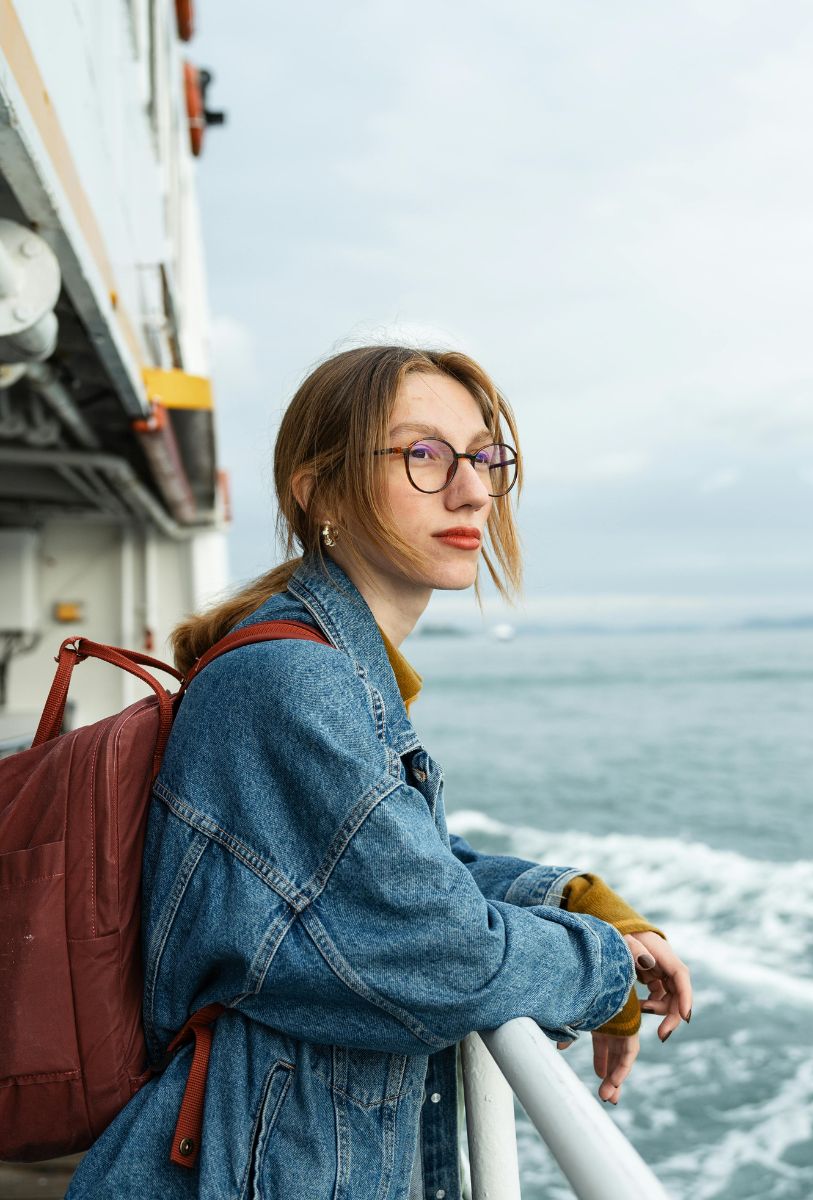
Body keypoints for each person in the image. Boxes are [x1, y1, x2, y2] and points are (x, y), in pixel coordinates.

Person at [66, 345, 693, 1199]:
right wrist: (610, 974)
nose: (471, 490)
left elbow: (405, 862)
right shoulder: (293, 681)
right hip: (252, 1171)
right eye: (423, 455)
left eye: (485, 457)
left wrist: (579, 899)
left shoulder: (330, 666)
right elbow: (444, 955)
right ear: (317, 488)